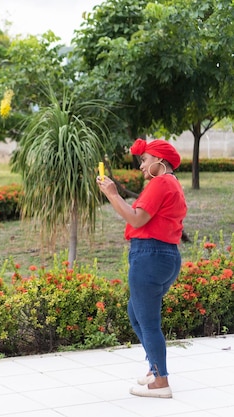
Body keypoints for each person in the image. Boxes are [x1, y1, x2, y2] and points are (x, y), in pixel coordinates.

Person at [97, 138, 186, 399]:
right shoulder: (173, 184)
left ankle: (161, 382)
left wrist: (112, 194)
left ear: (159, 161)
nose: (141, 167)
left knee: (148, 323)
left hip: (149, 256)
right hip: (166, 256)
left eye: (145, 160)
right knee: (135, 313)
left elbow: (137, 218)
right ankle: (154, 368)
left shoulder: (160, 183)